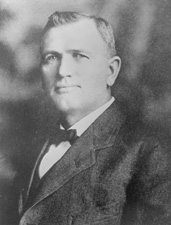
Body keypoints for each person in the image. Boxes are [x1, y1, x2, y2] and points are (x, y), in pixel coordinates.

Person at [19, 11, 171, 225]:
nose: (63, 71)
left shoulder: (149, 153)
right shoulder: (28, 145)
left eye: (79, 56)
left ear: (111, 71)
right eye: (51, 57)